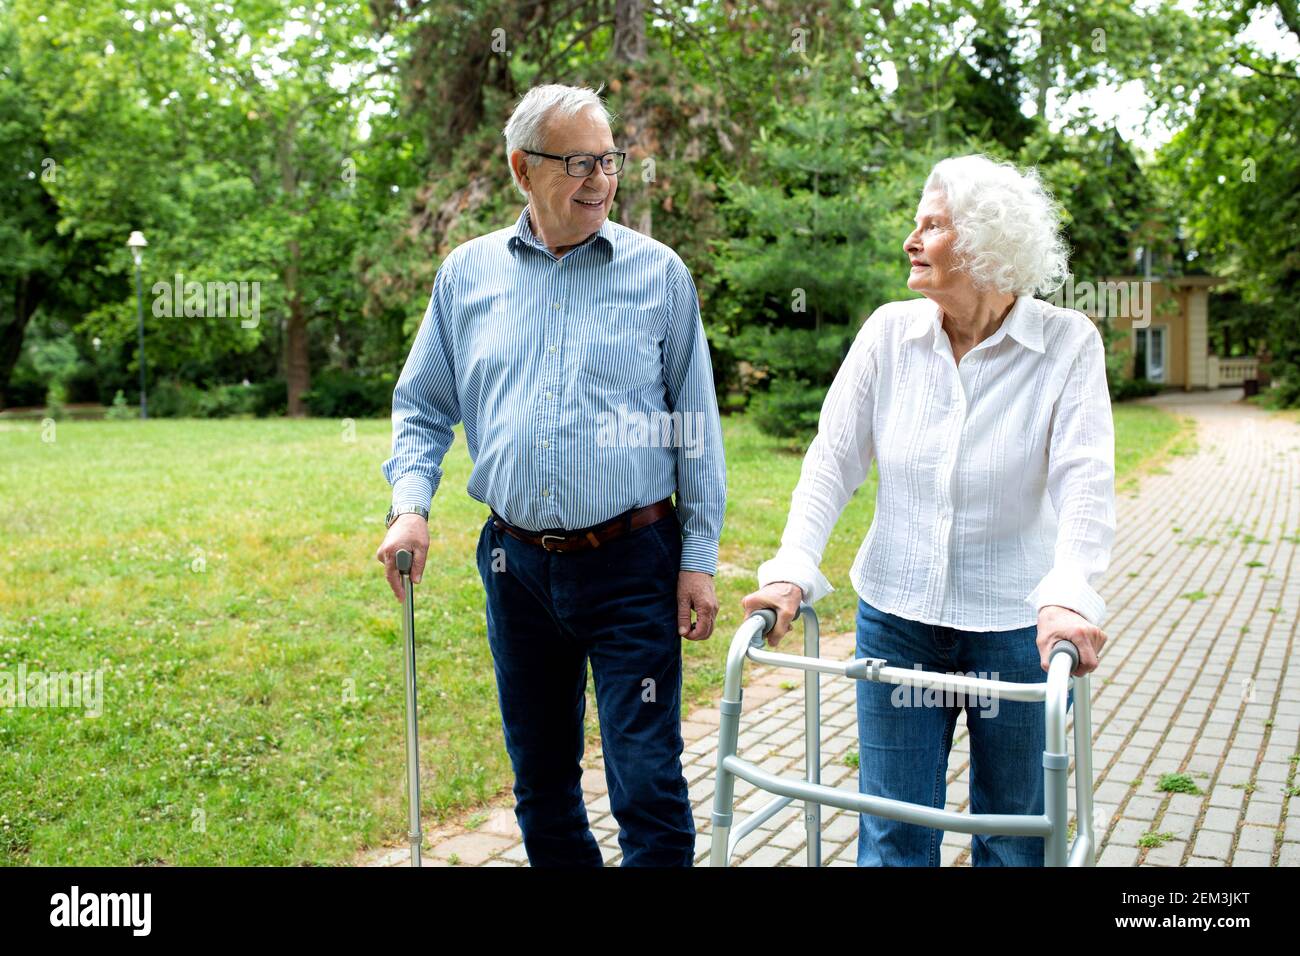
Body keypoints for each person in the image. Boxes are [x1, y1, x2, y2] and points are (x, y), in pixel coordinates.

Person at [375, 84, 726, 867]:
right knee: (540, 780)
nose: (599, 180)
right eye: (577, 163)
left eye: (608, 161)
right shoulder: (467, 276)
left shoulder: (659, 275)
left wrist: (699, 558)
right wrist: (410, 507)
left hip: (634, 559)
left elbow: (694, 425)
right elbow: (423, 407)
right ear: (521, 170)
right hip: (517, 564)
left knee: (646, 779)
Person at [741, 154, 1115, 866]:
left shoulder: (1067, 344)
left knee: (1012, 839)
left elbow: (1085, 485)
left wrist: (1069, 597)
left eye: (932, 226)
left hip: (1016, 631)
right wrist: (792, 567)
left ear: (985, 244)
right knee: (892, 831)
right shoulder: (889, 334)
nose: (912, 240)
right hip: (898, 620)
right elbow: (832, 461)